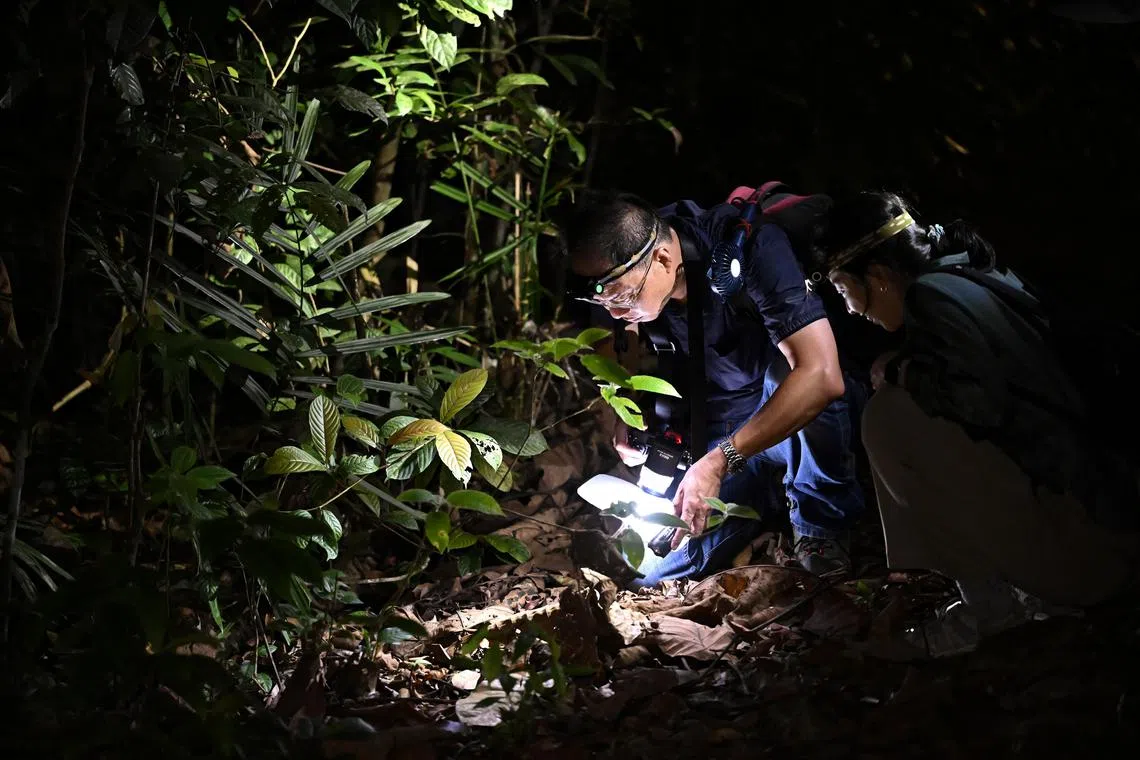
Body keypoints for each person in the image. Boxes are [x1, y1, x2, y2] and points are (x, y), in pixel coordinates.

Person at [819, 191, 1139, 658]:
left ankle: (992, 609)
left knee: (888, 417)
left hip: (1090, 554)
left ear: (879, 277)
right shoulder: (973, 273)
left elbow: (979, 402)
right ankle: (1014, 589)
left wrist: (903, 372)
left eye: (844, 289)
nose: (851, 309)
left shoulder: (932, 297)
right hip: (1115, 525)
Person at [560, 189, 867, 584]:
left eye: (625, 298)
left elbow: (822, 375)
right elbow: (618, 339)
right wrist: (627, 407)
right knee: (652, 570)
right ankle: (766, 494)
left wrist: (718, 462)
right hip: (724, 426)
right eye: (605, 303)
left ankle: (820, 525)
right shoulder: (623, 263)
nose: (618, 313)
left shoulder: (750, 247)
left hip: (796, 418)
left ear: (664, 260)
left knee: (788, 374)